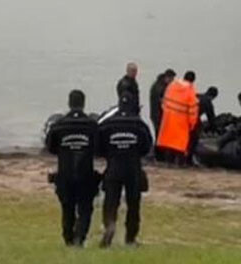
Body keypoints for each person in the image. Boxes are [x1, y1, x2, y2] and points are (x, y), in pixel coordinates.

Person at [43, 89, 99, 246]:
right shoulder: (91, 125)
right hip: (86, 175)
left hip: (65, 174)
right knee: (85, 209)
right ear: (83, 104)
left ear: (69, 103)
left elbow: (51, 147)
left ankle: (68, 238)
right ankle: (79, 238)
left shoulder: (59, 125)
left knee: (67, 208)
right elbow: (98, 148)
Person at [97, 91, 153, 247]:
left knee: (110, 201)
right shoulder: (139, 124)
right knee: (133, 204)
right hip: (133, 168)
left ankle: (109, 226)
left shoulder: (108, 124)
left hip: (113, 167)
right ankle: (130, 238)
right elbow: (147, 147)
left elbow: (98, 146)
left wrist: (110, 154)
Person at [156, 70, 199, 166]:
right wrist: (192, 124)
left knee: (169, 143)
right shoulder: (190, 90)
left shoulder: (172, 86)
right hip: (181, 122)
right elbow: (193, 110)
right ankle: (180, 164)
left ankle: (168, 162)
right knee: (180, 145)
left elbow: (164, 102)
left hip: (169, 119)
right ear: (192, 81)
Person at [148, 69, 174, 142]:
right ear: (167, 77)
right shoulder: (159, 87)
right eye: (171, 79)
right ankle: (159, 148)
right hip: (157, 114)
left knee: (160, 133)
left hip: (158, 114)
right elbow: (162, 101)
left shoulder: (159, 84)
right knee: (160, 133)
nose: (172, 82)